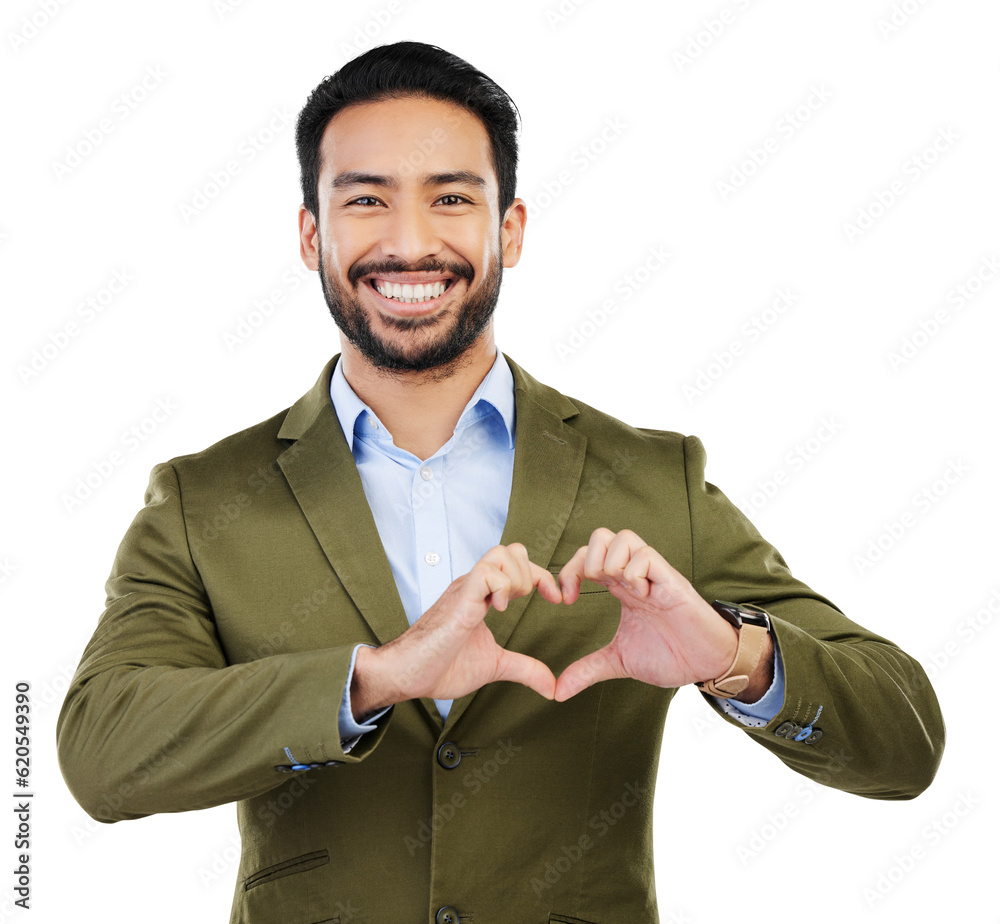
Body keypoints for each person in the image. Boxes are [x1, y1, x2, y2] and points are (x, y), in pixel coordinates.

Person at [57, 41, 945, 923]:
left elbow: (906, 741)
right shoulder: (204, 501)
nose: (409, 243)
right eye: (365, 200)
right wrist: (375, 677)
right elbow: (102, 751)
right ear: (309, 234)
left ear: (509, 229)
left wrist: (730, 656)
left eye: (451, 198)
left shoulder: (653, 481)